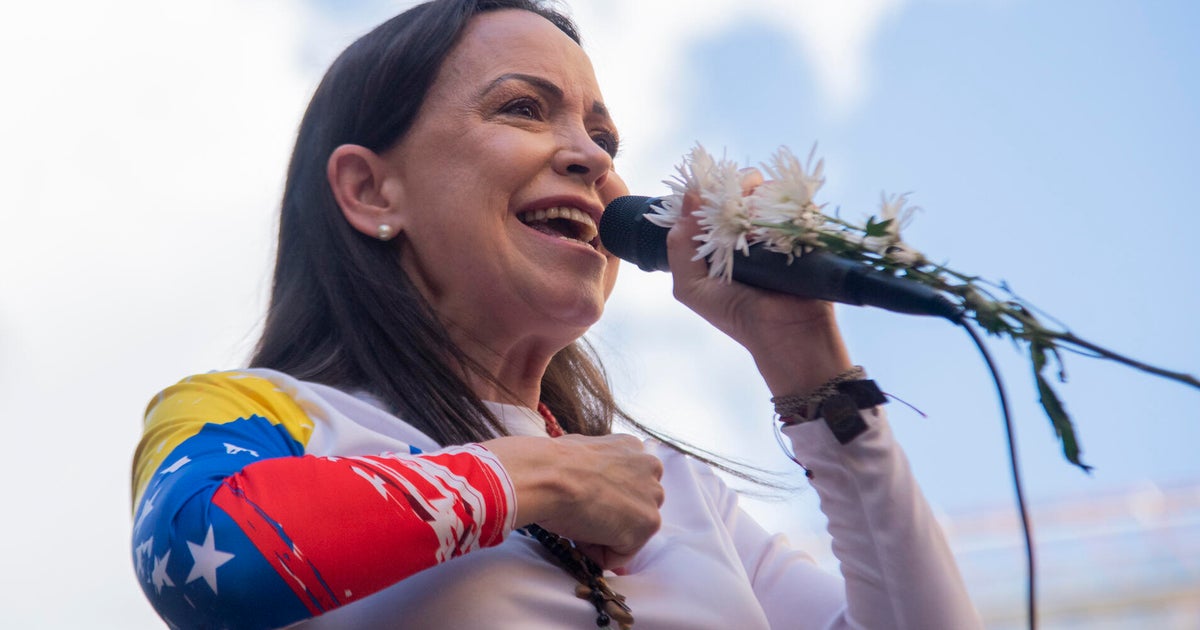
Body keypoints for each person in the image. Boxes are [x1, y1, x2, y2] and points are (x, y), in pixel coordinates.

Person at [130, 0, 982, 628]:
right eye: (522, 109)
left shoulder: (678, 494)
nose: (588, 156)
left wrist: (814, 373)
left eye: (605, 140)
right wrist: (544, 478)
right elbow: (207, 559)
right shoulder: (259, 417)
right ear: (369, 190)